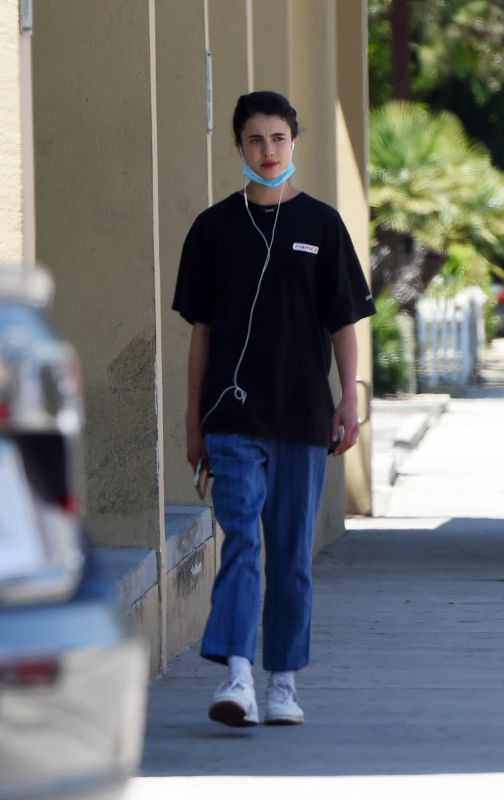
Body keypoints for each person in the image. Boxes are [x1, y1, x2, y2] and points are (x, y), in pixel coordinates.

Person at [172, 91, 375, 727]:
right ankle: (238, 677)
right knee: (242, 544)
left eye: (279, 138)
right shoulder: (212, 229)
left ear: (294, 141)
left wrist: (352, 397)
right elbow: (200, 332)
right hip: (232, 418)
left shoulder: (321, 226)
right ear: (238, 145)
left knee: (289, 552)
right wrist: (192, 420)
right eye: (256, 140)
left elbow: (344, 322)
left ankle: (282, 681)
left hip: (302, 418)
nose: (268, 151)